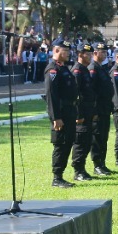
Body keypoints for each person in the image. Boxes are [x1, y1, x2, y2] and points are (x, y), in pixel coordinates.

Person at [45, 39, 77, 188]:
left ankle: (61, 175)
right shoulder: (53, 70)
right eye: (66, 51)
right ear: (57, 51)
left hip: (70, 111)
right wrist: (55, 117)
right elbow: (51, 95)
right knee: (60, 144)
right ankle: (57, 177)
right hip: (61, 113)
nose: (68, 53)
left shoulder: (63, 68)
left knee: (68, 142)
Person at [70, 44, 96, 183]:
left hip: (88, 111)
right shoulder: (77, 71)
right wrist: (78, 116)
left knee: (86, 142)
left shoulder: (84, 70)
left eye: (91, 54)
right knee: (80, 142)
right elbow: (75, 96)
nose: (91, 56)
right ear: (80, 54)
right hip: (81, 114)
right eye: (88, 54)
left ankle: (82, 169)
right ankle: (78, 170)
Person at [89, 45, 115, 177]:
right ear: (95, 53)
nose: (104, 54)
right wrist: (93, 111)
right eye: (102, 52)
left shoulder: (101, 68)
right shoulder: (93, 68)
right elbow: (91, 92)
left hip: (105, 108)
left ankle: (102, 163)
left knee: (104, 137)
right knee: (97, 138)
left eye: (105, 52)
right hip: (97, 110)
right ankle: (97, 164)